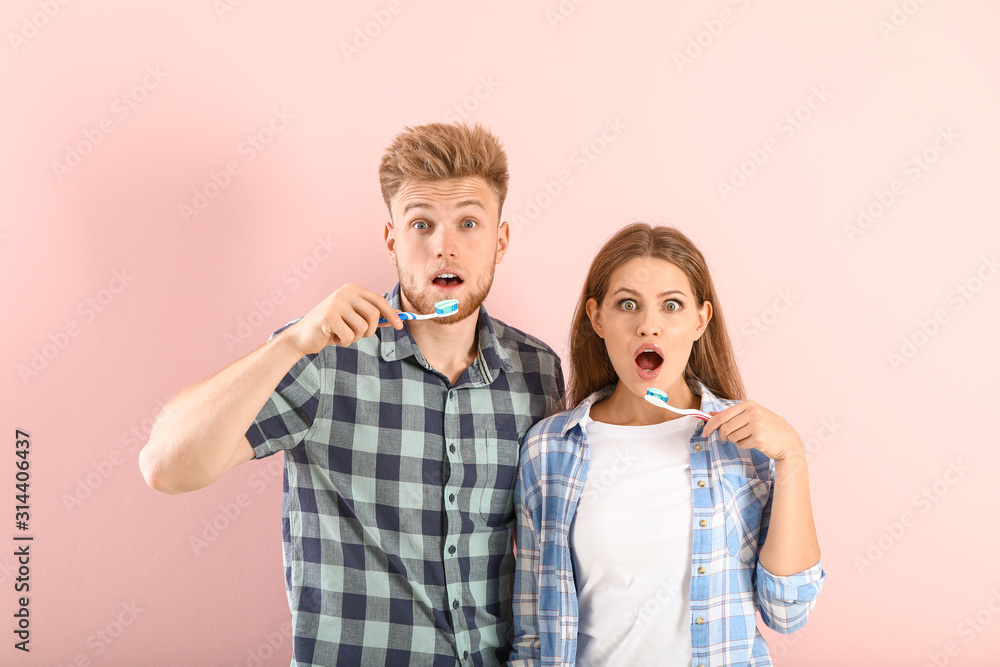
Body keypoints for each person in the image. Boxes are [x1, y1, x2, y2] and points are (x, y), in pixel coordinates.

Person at [139, 122, 565, 666]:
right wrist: (289, 343)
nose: (444, 246)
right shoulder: (323, 356)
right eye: (421, 224)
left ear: (499, 241)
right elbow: (166, 467)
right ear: (392, 240)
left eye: (468, 223)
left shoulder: (538, 372)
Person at [509, 223, 825, 666]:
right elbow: (532, 635)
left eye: (671, 305)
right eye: (627, 305)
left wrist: (793, 457)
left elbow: (788, 612)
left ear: (700, 320)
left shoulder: (748, 444)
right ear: (597, 317)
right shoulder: (549, 449)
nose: (648, 326)